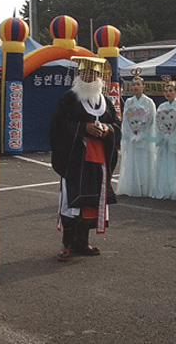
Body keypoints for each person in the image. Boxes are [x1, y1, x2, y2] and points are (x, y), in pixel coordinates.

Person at [50, 58, 121, 262]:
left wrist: (107, 130)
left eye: (94, 74)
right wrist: (82, 128)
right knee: (72, 202)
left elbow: (117, 126)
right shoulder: (69, 98)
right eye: (86, 73)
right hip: (75, 159)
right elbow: (58, 126)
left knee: (92, 201)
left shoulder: (106, 102)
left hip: (98, 160)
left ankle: (83, 241)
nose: (90, 77)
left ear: (100, 77)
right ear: (80, 75)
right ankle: (67, 244)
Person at [117, 69, 156, 197]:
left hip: (144, 137)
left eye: (138, 85)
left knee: (144, 162)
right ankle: (132, 187)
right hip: (132, 136)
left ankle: (145, 187)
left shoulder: (148, 102)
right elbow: (126, 120)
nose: (135, 87)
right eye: (134, 85)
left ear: (143, 87)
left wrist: (142, 132)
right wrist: (132, 132)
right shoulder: (129, 102)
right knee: (132, 161)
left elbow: (152, 120)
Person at [152, 79, 176, 200]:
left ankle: (175, 188)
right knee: (164, 163)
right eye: (166, 91)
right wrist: (163, 134)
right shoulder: (162, 106)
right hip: (165, 140)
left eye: (171, 90)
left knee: (175, 163)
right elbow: (158, 123)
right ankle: (164, 188)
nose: (168, 93)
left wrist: (173, 135)